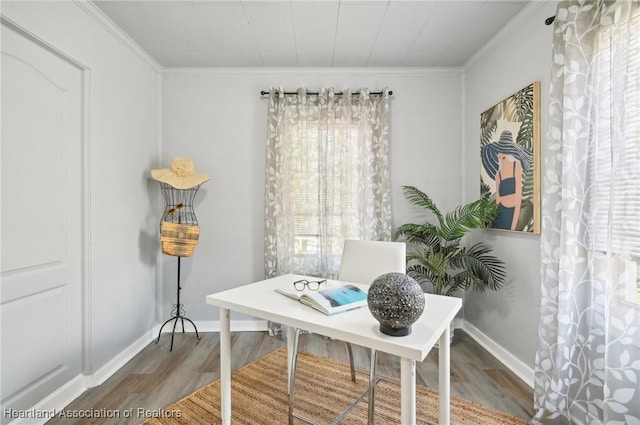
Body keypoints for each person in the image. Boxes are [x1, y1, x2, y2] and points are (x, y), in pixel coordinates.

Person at [494, 153, 522, 230]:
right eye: (499, 155)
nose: (501, 157)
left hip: (512, 212)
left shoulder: (516, 165)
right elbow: (498, 200)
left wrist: (513, 226)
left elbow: (518, 197)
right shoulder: (498, 175)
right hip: (501, 213)